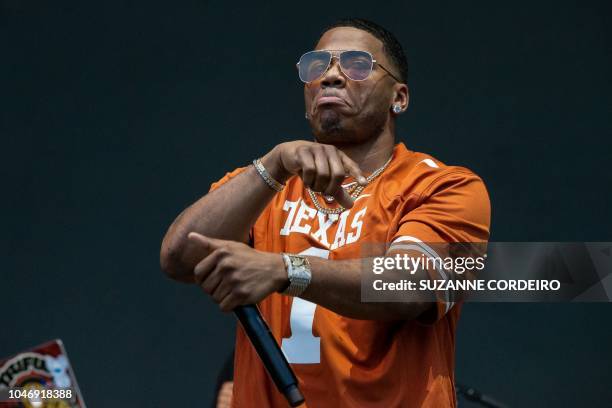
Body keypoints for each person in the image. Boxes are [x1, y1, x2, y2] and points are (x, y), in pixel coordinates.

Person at [160, 18, 490, 407]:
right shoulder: (265, 185)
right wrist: (275, 162)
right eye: (317, 66)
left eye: (356, 64)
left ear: (398, 98)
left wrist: (284, 269)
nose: (331, 76)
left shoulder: (444, 186)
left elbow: (410, 285)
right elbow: (180, 258)